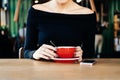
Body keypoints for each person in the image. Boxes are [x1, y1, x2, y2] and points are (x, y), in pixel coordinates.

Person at [24, 0, 96, 61]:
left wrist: (82, 54)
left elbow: (90, 53)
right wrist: (35, 53)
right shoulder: (35, 11)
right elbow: (27, 51)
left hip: (73, 73)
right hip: (43, 72)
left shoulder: (88, 15)